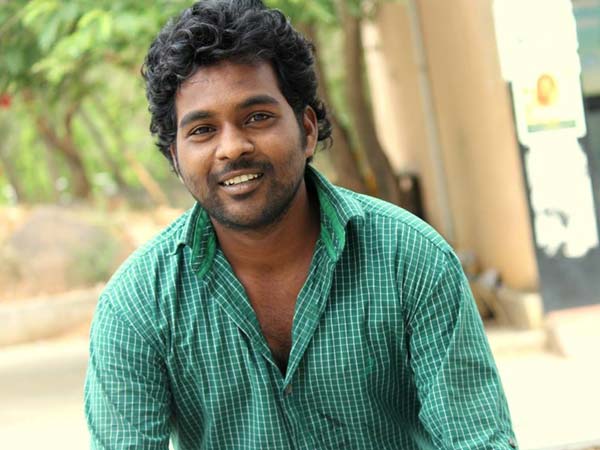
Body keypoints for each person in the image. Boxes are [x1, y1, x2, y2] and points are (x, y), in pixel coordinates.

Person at [84, 1, 518, 448]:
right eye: (202, 130)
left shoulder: (409, 258)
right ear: (175, 158)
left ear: (307, 130)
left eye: (257, 117)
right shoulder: (137, 305)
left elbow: (477, 439)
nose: (232, 148)